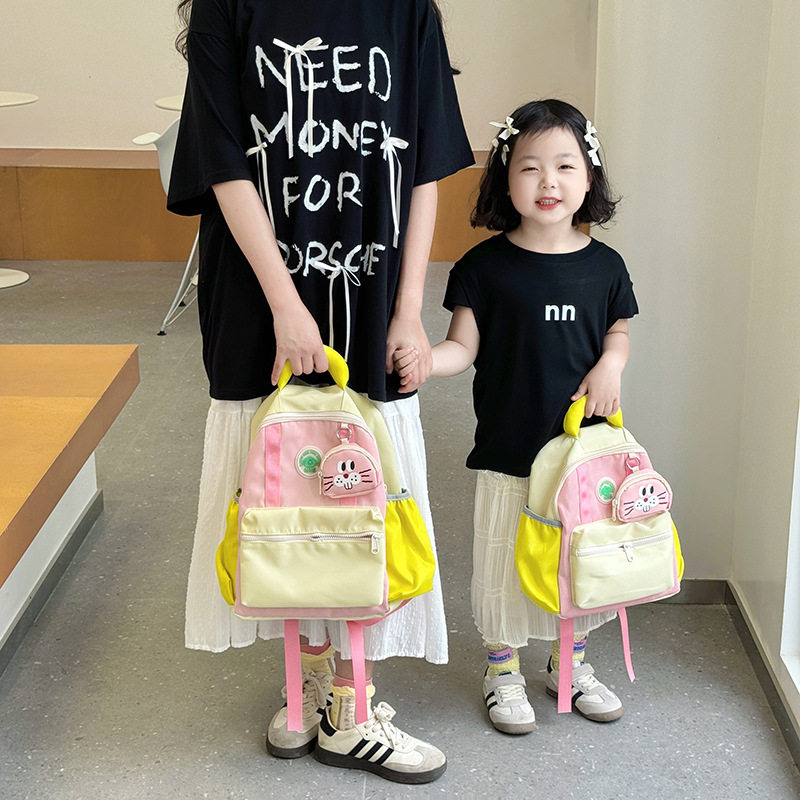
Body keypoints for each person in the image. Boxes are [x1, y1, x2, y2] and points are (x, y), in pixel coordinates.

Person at [167, 0, 473, 783]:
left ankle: (350, 703)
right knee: (284, 490)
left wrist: (410, 309)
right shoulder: (228, 4)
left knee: (365, 490)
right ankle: (307, 685)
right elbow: (224, 163)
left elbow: (423, 166)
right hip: (257, 293)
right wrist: (285, 304)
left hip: (373, 288)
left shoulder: (406, 9)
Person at [394, 99, 638, 734]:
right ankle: (502, 668)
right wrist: (427, 360)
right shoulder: (484, 268)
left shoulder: (606, 267)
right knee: (504, 562)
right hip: (509, 449)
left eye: (565, 165)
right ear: (505, 179)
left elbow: (617, 333)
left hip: (582, 454)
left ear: (589, 177)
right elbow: (462, 347)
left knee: (577, 557)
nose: (548, 181)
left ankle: (570, 661)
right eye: (530, 167)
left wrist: (612, 364)